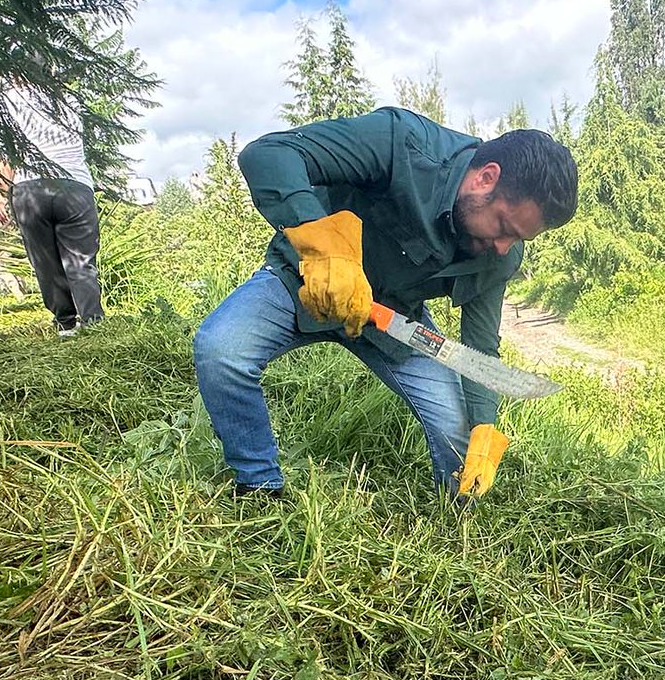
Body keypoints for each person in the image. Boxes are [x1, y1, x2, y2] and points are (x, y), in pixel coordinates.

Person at [193, 107, 578, 501]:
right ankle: (259, 484)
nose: (503, 247)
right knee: (221, 349)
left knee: (455, 430)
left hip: (392, 321)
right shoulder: (401, 141)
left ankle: (459, 518)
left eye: (518, 240)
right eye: (503, 227)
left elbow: (478, 349)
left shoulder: (500, 256)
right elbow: (268, 155)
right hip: (306, 283)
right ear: (486, 178)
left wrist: (484, 424)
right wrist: (327, 253)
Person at [0, 84, 103, 336]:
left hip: (31, 189)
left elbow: (5, 156)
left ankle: (65, 324)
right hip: (75, 186)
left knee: (45, 262)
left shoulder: (7, 99)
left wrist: (0, 196)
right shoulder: (70, 99)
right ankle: (94, 324)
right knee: (81, 261)